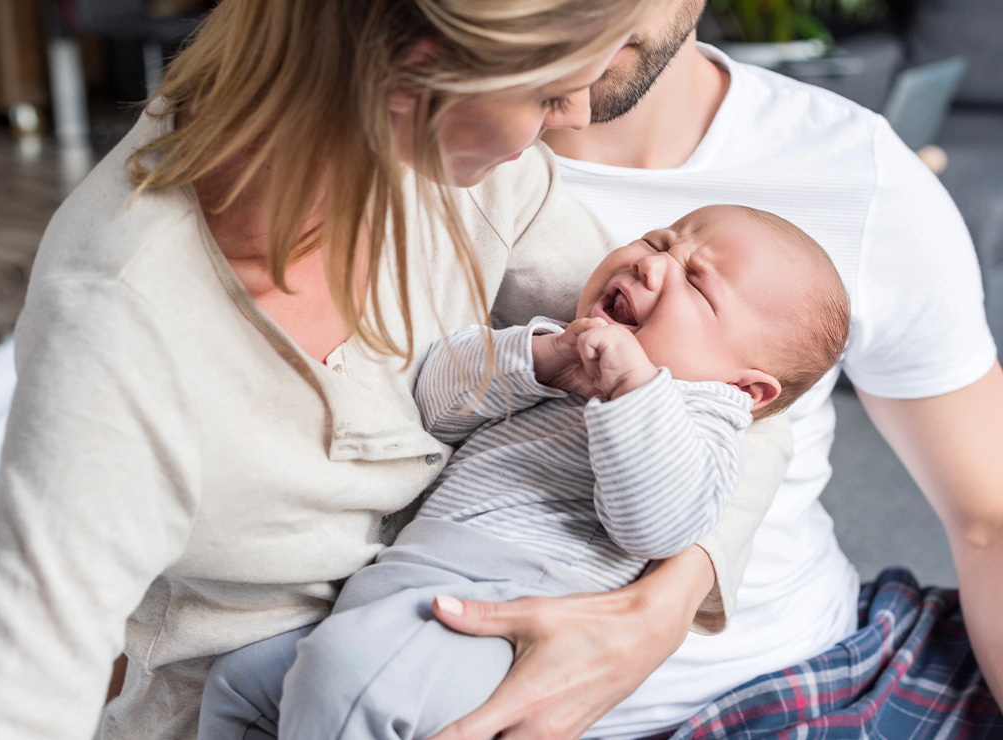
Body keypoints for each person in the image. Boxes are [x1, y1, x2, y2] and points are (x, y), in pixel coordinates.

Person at [0, 2, 798, 739]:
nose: (570, 119)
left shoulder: (471, 174)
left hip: (454, 647)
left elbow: (734, 386)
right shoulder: (125, 328)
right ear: (417, 70)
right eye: (550, 92)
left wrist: (656, 614)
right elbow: (5, 696)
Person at [412, 2, 1002, 738]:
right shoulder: (402, 155)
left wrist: (671, 599)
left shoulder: (857, 168)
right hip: (442, 673)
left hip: (811, 674)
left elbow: (990, 517)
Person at [195, 205, 849, 740]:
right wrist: (536, 360)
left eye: (697, 283)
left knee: (345, 676)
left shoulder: (703, 419)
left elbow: (658, 526)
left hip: (500, 617)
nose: (652, 262)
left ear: (749, 389)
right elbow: (433, 403)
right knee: (242, 681)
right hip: (399, 596)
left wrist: (633, 392)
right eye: (658, 240)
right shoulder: (560, 347)